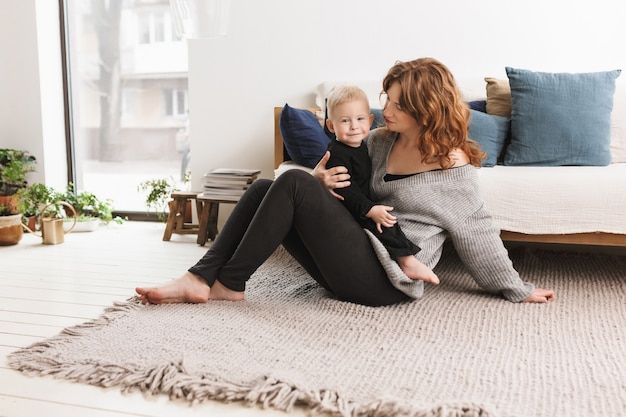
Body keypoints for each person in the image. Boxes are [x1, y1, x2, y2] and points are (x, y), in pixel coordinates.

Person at [136, 57, 555, 306]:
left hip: (385, 280)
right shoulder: (379, 140)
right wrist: (320, 179)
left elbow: (478, 234)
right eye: (385, 98)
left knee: (291, 183)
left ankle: (229, 283)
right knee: (270, 185)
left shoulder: (452, 167)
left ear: (424, 109)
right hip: (349, 257)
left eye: (395, 103)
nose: (383, 108)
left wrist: (516, 288)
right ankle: (202, 278)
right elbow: (344, 189)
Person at [324, 85, 438, 285]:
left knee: (388, 221)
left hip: (359, 204)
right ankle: (407, 261)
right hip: (344, 209)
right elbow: (345, 190)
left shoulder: (364, 145)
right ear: (331, 126)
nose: (354, 126)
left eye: (360, 119)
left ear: (369, 121)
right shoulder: (337, 153)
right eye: (344, 121)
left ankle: (404, 256)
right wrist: (369, 209)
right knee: (383, 223)